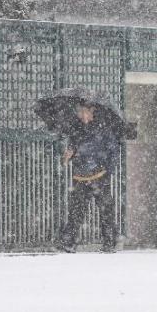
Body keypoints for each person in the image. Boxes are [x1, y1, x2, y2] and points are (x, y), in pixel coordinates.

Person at [58, 103, 120, 253]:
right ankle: (69, 242)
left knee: (105, 211)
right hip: (80, 176)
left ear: (92, 111)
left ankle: (109, 242)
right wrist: (68, 156)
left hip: (99, 175)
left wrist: (107, 171)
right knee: (76, 211)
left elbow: (113, 151)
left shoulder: (103, 128)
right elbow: (72, 150)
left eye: (84, 112)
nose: (81, 115)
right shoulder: (76, 130)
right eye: (79, 112)